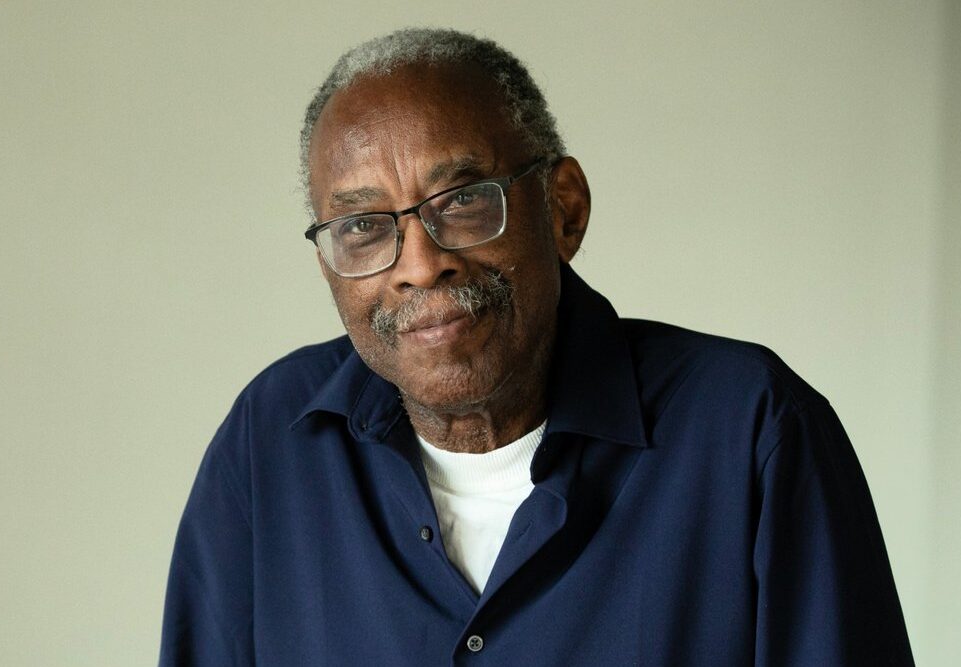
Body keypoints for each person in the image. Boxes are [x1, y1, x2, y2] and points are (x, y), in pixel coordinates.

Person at [159, 28, 914, 666]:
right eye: (362, 226)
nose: (420, 264)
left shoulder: (751, 430)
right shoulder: (269, 442)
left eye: (462, 200)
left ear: (564, 209)